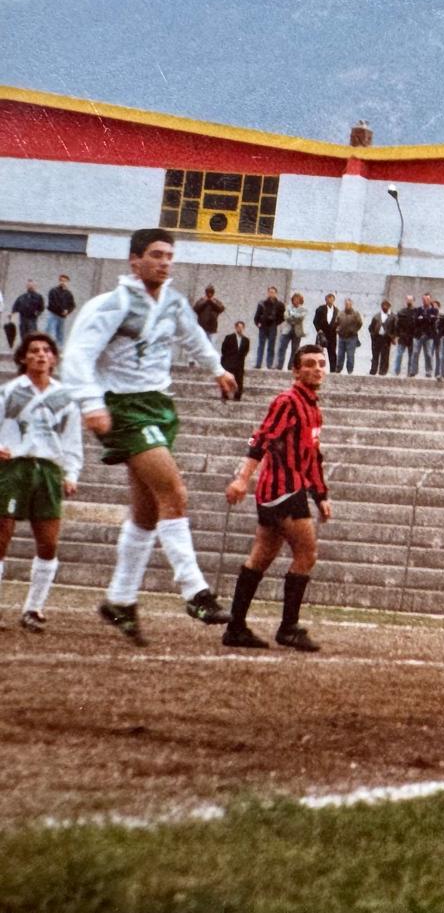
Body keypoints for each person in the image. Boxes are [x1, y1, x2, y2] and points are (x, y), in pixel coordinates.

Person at [60, 228, 233, 644]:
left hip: (159, 405)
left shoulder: (173, 302)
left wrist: (217, 369)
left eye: (169, 255)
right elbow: (78, 355)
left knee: (147, 511)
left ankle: (120, 599)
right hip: (124, 407)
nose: (164, 262)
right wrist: (91, 403)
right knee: (174, 492)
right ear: (134, 260)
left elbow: (193, 336)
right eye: (156, 255)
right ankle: (195, 591)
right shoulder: (112, 304)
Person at [221, 344, 331, 652]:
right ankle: (288, 628)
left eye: (321, 363)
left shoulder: (313, 408)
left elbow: (313, 457)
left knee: (261, 556)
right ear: (296, 371)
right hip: (283, 491)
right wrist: (242, 478)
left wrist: (321, 495)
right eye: (309, 364)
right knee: (307, 554)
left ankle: (235, 627)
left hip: (281, 492)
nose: (317, 369)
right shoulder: (287, 402)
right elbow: (261, 439)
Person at [0, 332, 82, 632]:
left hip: (47, 470)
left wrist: (71, 474)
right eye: (34, 350)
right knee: (1, 538)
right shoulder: (8, 392)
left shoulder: (65, 398)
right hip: (13, 468)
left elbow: (72, 441)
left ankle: (33, 608)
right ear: (23, 358)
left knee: (48, 543)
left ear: (54, 359)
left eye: (47, 350)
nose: (41, 355)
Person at [252, 285, 285, 370]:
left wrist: (276, 323)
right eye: (270, 292)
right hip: (263, 326)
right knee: (261, 346)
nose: (271, 294)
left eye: (273, 292)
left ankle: (269, 364)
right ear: (268, 293)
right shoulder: (262, 303)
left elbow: (282, 317)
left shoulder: (280, 304)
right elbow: (257, 316)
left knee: (271, 346)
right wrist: (257, 323)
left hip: (272, 327)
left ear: (276, 293)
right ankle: (258, 364)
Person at [219, 321, 250, 401]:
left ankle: (237, 396)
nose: (240, 329)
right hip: (229, 362)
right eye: (238, 327)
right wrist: (227, 360)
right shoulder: (229, 337)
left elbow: (245, 351)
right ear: (236, 327)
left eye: (242, 327)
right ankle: (225, 395)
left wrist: (240, 359)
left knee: (239, 380)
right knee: (227, 379)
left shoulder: (246, 340)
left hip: (239, 363)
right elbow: (224, 349)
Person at [335, 298, 364, 375]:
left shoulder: (356, 314)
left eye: (349, 304)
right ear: (344, 304)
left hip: (351, 338)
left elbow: (360, 323)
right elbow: (336, 322)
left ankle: (350, 371)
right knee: (340, 355)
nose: (347, 305)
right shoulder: (340, 313)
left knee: (350, 356)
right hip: (341, 338)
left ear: (351, 305)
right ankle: (338, 370)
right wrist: (338, 330)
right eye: (346, 304)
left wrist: (354, 330)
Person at [368, 299, 397, 376]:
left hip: (386, 338)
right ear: (381, 306)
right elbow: (370, 328)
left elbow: (395, 328)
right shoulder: (376, 316)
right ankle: (373, 370)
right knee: (375, 355)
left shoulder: (393, 317)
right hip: (377, 338)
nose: (385, 307)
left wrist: (393, 337)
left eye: (387, 305)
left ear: (389, 307)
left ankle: (383, 371)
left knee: (385, 355)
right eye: (383, 305)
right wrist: (373, 336)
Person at [44, 275, 75, 345]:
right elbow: (53, 303)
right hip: (53, 315)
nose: (63, 282)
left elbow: (72, 305)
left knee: (60, 335)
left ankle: (59, 349)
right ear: (59, 281)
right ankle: (47, 345)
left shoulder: (69, 294)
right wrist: (62, 310)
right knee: (50, 332)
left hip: (62, 317)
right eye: (62, 281)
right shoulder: (53, 291)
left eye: (65, 281)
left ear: (68, 282)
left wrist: (68, 311)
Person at [280, 292, 308, 370]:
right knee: (282, 348)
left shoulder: (303, 309)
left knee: (295, 350)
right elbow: (286, 317)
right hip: (287, 331)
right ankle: (279, 365)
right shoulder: (288, 307)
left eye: (298, 299)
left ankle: (291, 366)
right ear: (292, 299)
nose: (296, 300)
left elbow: (301, 317)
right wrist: (295, 317)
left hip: (297, 331)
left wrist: (292, 316)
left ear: (301, 300)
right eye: (295, 299)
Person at [415, 294, 441, 378]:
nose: (425, 301)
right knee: (415, 352)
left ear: (430, 300)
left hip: (429, 335)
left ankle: (428, 371)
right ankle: (414, 371)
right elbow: (416, 321)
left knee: (428, 354)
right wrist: (427, 318)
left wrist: (423, 318)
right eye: (424, 299)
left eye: (427, 299)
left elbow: (433, 321)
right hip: (419, 334)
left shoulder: (434, 310)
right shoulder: (418, 309)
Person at [312, 293, 339, 369]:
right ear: (326, 300)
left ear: (334, 300)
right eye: (328, 299)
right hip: (322, 334)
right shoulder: (320, 309)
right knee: (318, 352)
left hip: (332, 335)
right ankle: (317, 368)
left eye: (332, 299)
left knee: (332, 353)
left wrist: (337, 329)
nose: (330, 300)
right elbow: (315, 321)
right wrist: (319, 330)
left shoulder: (337, 310)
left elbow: (339, 322)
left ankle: (333, 371)